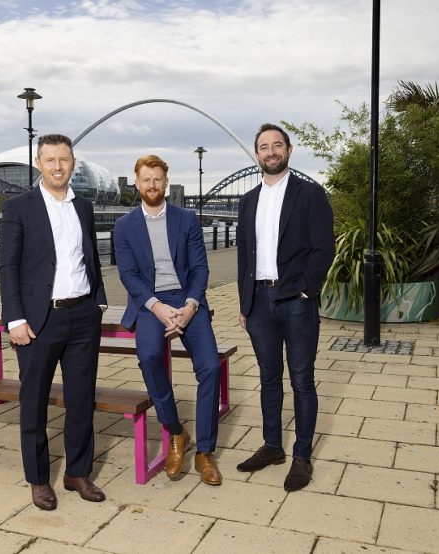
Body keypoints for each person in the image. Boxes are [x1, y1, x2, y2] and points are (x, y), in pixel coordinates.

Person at [0, 133, 108, 510]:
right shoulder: (19, 207)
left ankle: (78, 472)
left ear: (73, 164)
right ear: (38, 164)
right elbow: (8, 266)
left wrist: (99, 300)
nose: (58, 166)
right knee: (34, 402)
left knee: (81, 400)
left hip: (82, 316)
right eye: (50, 160)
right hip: (37, 320)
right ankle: (39, 479)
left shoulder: (85, 207)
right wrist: (14, 318)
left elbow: (90, 256)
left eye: (64, 160)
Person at [236, 123, 334, 491]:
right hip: (259, 302)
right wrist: (245, 301)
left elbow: (324, 247)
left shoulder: (309, 194)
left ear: (289, 150)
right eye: (264, 146)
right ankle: (273, 446)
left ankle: (302, 456)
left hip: (295, 299)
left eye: (277, 145)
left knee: (302, 380)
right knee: (268, 378)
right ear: (257, 154)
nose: (271, 151)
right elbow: (246, 254)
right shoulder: (248, 201)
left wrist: (308, 289)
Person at [113, 154, 222, 485]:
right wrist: (157, 307)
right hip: (150, 303)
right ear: (136, 183)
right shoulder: (124, 226)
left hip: (187, 298)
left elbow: (200, 268)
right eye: (146, 180)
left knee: (211, 367)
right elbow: (128, 275)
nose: (152, 185)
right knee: (147, 356)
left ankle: (205, 451)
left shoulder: (186, 219)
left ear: (166, 182)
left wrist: (189, 308)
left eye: (157, 179)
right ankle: (176, 432)